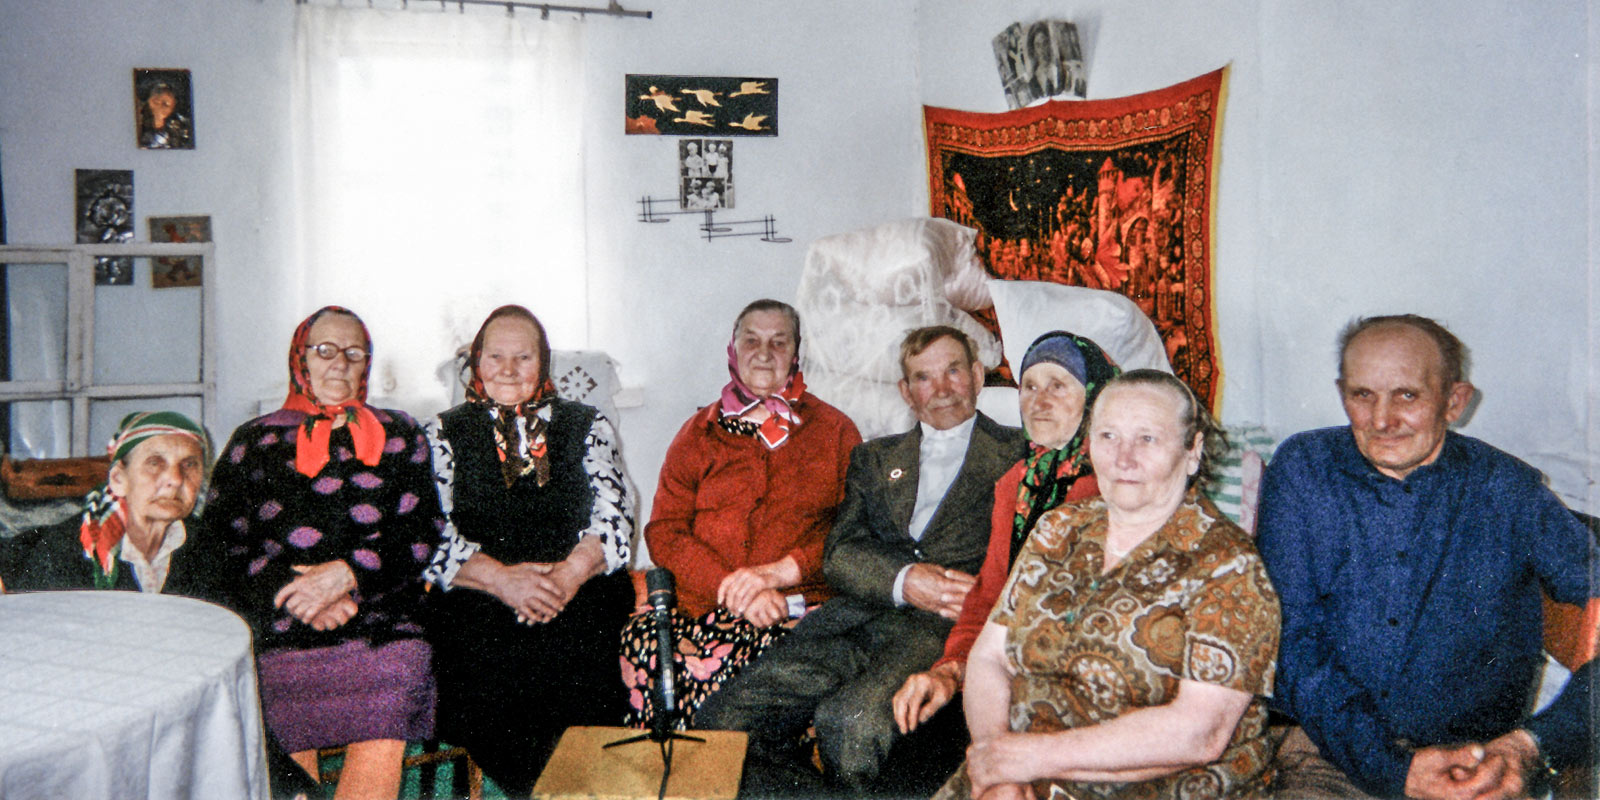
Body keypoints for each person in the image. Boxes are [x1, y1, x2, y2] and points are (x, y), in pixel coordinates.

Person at [1257, 314, 1599, 800]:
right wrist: (1394, 768)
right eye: (1362, 395)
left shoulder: (1507, 489)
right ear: (1341, 393)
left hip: (1476, 767)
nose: (1382, 420)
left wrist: (1534, 745)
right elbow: (1290, 637)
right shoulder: (1305, 470)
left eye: (1407, 396)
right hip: (1331, 756)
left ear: (1455, 402)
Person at [696, 325, 1027, 796]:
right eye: (924, 377)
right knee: (720, 723)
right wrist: (903, 578)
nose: (943, 388)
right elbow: (840, 553)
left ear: (977, 375)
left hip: (937, 630)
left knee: (848, 726)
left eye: (954, 370)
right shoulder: (874, 458)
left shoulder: (1019, 453)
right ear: (906, 392)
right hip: (848, 621)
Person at [937, 369, 1280, 800]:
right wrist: (999, 766)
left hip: (1160, 789)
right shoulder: (1057, 529)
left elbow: (1201, 733)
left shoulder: (1229, 566)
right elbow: (989, 658)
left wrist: (1028, 758)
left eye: (1147, 439)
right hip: (1014, 770)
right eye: (1108, 436)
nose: (1123, 459)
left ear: (1193, 452)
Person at [203, 306, 441, 800]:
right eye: (325, 350)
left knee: (398, 670)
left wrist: (346, 575)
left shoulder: (400, 433)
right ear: (300, 360)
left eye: (354, 353)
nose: (339, 364)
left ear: (367, 365)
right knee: (274, 695)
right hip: (281, 619)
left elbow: (422, 531)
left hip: (379, 618)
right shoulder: (255, 439)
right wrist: (297, 594)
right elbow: (221, 542)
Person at [421, 304, 637, 795]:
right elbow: (428, 531)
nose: (509, 369)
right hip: (479, 590)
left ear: (544, 364)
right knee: (481, 664)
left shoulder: (588, 423)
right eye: (496, 356)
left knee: (578, 658)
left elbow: (614, 516)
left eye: (524, 357)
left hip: (575, 587)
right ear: (475, 362)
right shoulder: (441, 432)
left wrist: (565, 578)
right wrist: (502, 580)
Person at [619, 299, 861, 730]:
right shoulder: (698, 432)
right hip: (700, 605)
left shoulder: (836, 431)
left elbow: (853, 534)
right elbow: (665, 532)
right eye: (751, 340)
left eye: (778, 341)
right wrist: (734, 589)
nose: (764, 352)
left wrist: (777, 575)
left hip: (792, 607)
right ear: (733, 350)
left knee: (748, 672)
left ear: (796, 354)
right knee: (644, 648)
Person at [892, 331, 1119, 736]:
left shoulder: (1116, 483)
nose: (1039, 401)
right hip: (1006, 667)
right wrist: (949, 672)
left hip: (1081, 680)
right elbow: (990, 595)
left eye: (1058, 386)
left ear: (1095, 397)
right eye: (1029, 386)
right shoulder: (1016, 482)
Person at [0, 411, 216, 595]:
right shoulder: (69, 551)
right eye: (155, 463)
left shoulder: (210, 547)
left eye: (189, 465)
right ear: (118, 480)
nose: (176, 479)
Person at [138, 81, 192, 149]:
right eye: (156, 102)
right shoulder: (137, 120)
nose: (159, 107)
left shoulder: (178, 129)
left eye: (166, 105)